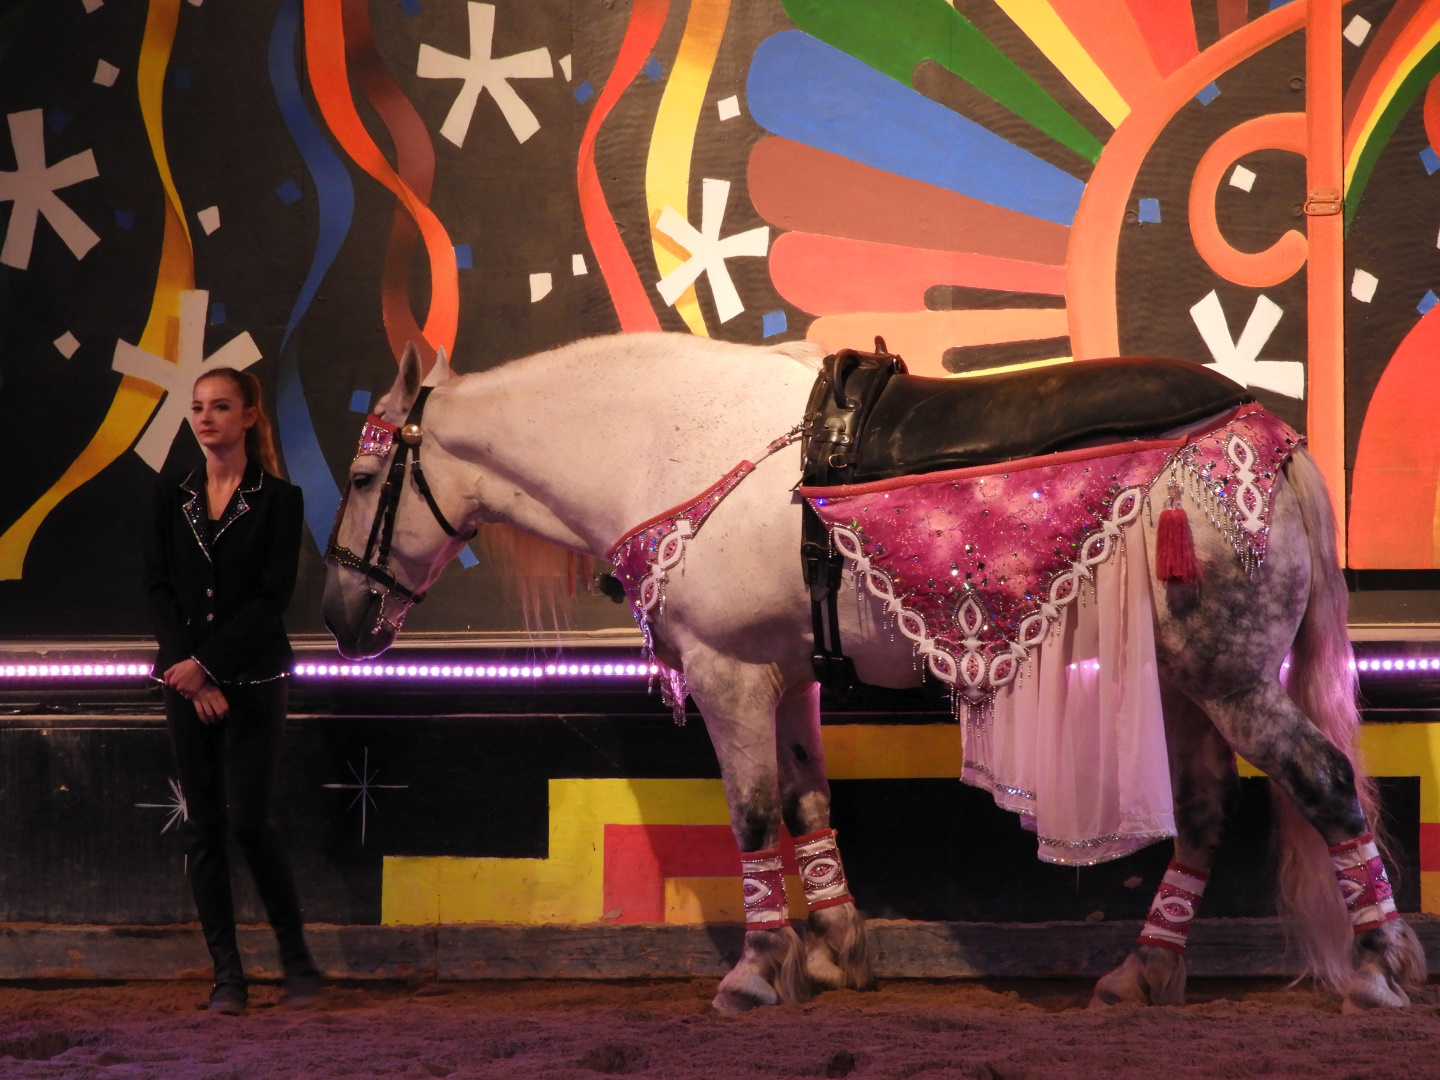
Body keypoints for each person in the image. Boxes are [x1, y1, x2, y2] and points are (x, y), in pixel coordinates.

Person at [142, 367, 322, 1014]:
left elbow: (271, 597)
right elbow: (159, 588)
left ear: (249, 415)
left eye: (221, 406)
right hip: (186, 682)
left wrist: (210, 668)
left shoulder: (279, 499)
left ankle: (297, 961)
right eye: (197, 407)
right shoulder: (171, 495)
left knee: (249, 822)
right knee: (204, 827)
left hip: (253, 680)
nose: (206, 417)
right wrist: (187, 673)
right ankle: (228, 976)